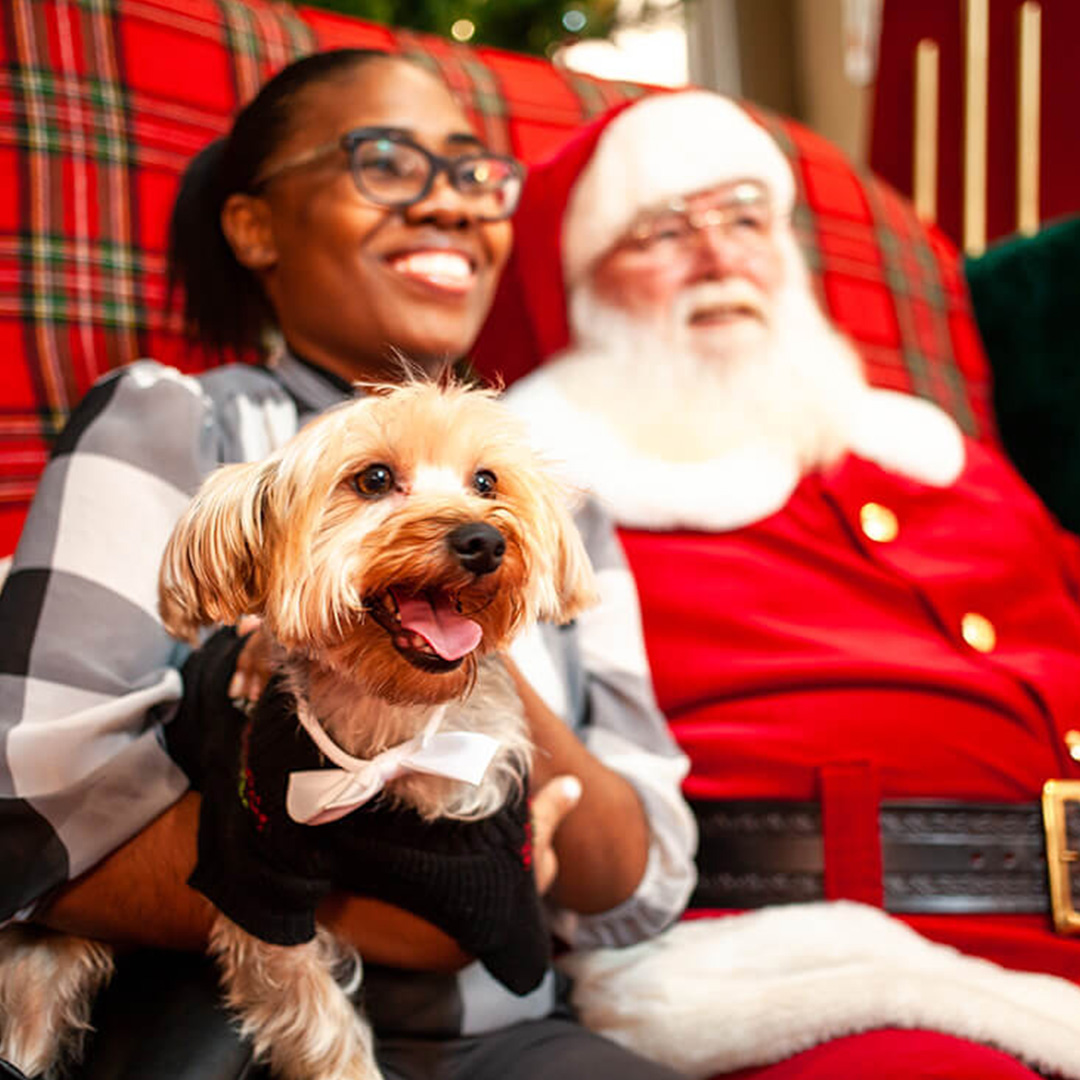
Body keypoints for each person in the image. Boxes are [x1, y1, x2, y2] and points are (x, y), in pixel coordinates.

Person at [0, 50, 695, 1079]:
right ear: (256, 225)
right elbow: (25, 819)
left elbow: (633, 872)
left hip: (513, 1042)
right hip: (230, 1029)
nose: (452, 206)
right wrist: (416, 916)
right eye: (387, 160)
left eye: (474, 175)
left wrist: (476, 656)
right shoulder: (176, 423)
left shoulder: (557, 500)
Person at [480, 90, 1080, 1080]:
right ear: (581, 290)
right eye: (662, 231)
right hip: (803, 965)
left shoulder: (939, 459)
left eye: (747, 218)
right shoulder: (546, 503)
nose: (720, 258)